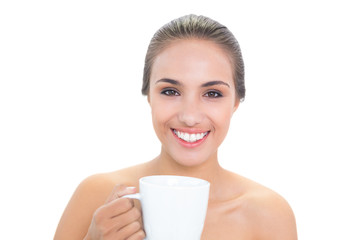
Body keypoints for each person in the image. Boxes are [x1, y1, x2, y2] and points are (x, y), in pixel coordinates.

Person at [54, 14, 297, 240]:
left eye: (212, 93)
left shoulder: (269, 214)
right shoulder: (97, 198)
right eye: (170, 91)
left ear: (235, 102)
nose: (190, 117)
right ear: (149, 95)